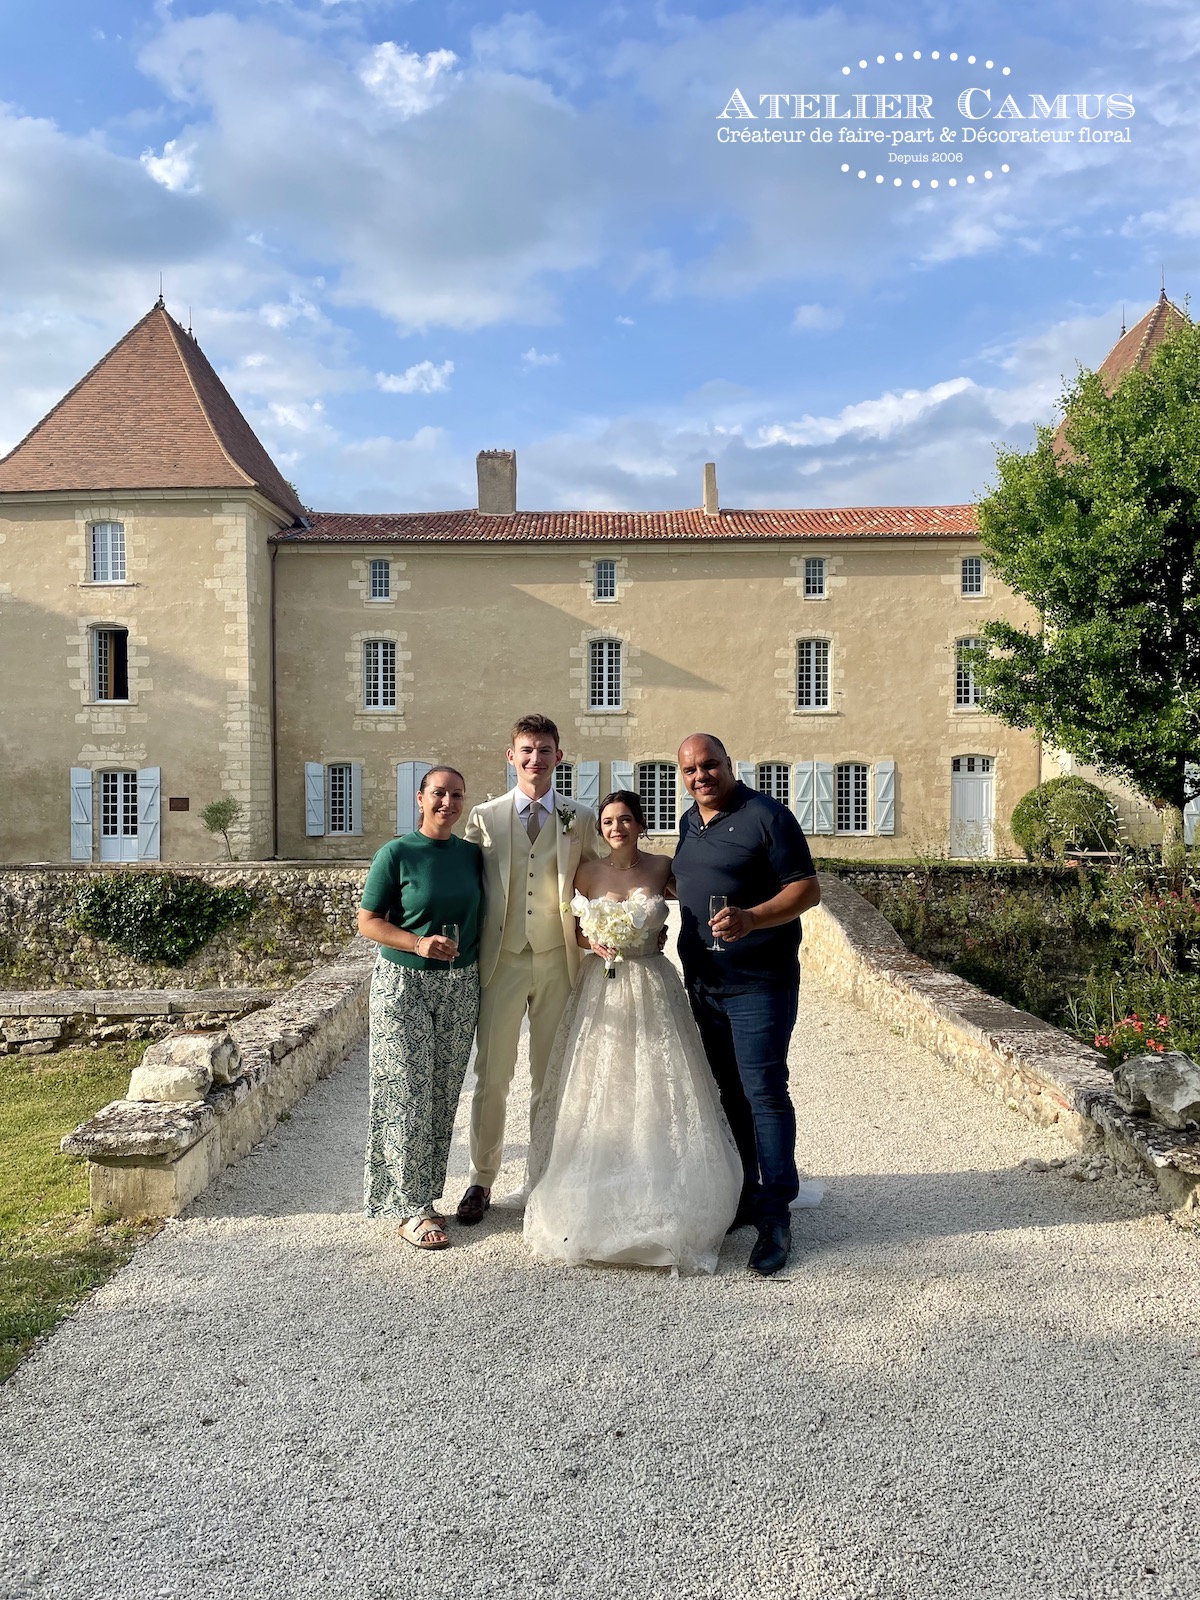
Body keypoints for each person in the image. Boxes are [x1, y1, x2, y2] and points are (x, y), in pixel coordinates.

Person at [524, 791, 742, 1272]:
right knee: (604, 1083)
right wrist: (592, 941)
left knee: (661, 1082)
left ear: (641, 824)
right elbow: (572, 927)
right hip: (600, 988)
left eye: (625, 819)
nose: (616, 828)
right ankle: (601, 1178)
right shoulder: (585, 872)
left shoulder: (663, 867)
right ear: (599, 828)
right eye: (607, 821)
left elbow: (703, 895)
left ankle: (664, 1184)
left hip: (653, 981)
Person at [671, 734, 821, 1277]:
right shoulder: (689, 822)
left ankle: (776, 1214)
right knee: (727, 1092)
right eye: (690, 769)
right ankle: (743, 1194)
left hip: (760, 983)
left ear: (729, 764)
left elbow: (807, 889)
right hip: (705, 984)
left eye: (710, 765)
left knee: (764, 1094)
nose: (701, 776)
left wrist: (753, 918)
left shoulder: (768, 816)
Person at [455, 714, 600, 1224]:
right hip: (502, 961)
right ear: (511, 756)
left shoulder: (580, 817)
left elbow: (601, 878)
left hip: (559, 959)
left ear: (559, 756)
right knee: (492, 1075)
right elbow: (463, 884)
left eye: (544, 750)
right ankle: (481, 1179)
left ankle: (543, 1176)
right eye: (526, 749)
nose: (535, 758)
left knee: (549, 1075)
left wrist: (630, 918)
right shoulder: (485, 817)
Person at [358, 766, 483, 1250]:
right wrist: (417, 943)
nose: (447, 802)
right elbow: (368, 922)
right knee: (407, 1091)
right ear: (420, 798)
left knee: (442, 1094)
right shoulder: (396, 853)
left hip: (460, 985)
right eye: (438, 793)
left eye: (456, 795)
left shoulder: (472, 855)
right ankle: (411, 1209)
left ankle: (425, 1196)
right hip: (403, 984)